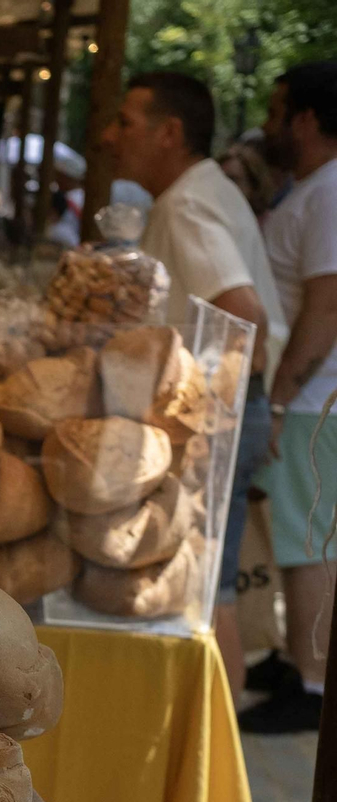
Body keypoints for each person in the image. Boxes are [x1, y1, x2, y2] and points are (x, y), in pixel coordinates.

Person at [101, 71, 288, 701]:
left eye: (125, 122)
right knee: (207, 584)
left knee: (208, 590)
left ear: (170, 133)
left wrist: (198, 421)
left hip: (213, 417)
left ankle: (218, 731)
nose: (110, 136)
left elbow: (245, 316)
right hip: (227, 412)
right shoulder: (198, 191)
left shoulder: (186, 204)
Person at [241, 62, 337, 732]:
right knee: (292, 536)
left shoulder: (330, 192)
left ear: (305, 119)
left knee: (309, 543)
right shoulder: (311, 189)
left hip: (310, 402)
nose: (268, 124)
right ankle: (291, 657)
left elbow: (327, 307)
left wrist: (278, 400)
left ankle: (314, 684)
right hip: (301, 400)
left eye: (277, 111)